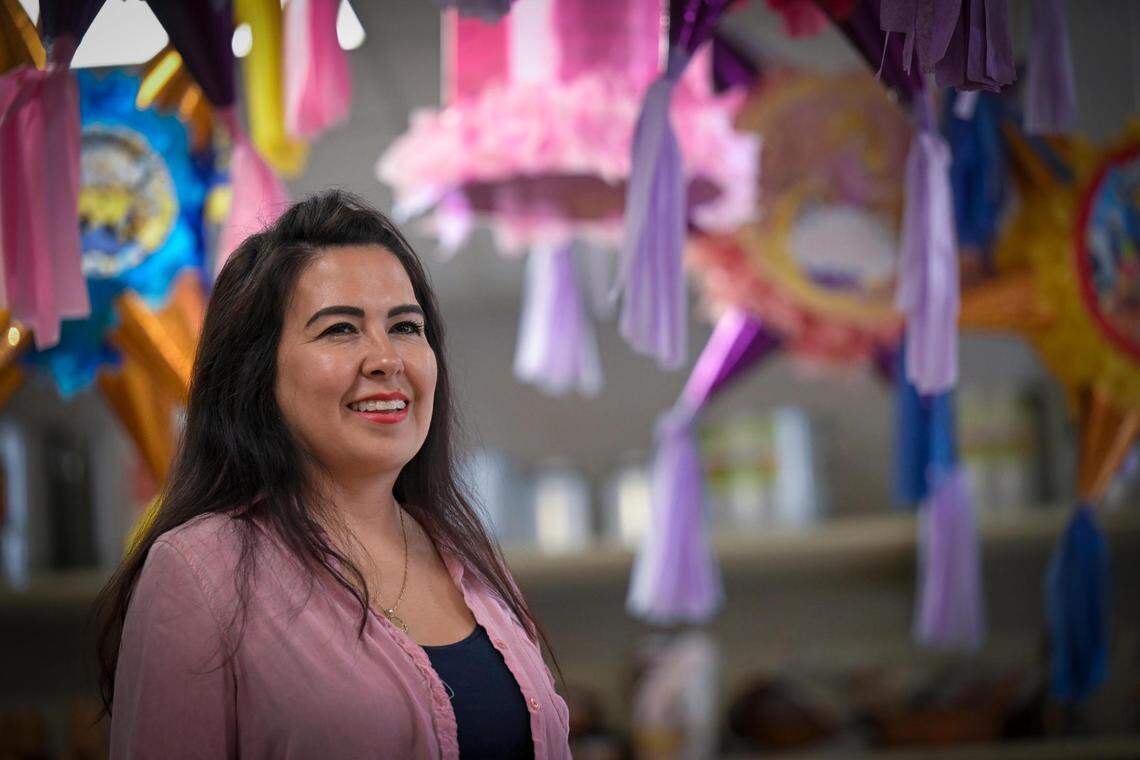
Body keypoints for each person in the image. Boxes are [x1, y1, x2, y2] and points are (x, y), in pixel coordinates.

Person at [94, 191, 571, 759]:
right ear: (257, 372)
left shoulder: (471, 558)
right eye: (341, 329)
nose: (386, 359)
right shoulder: (198, 572)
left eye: (406, 326)